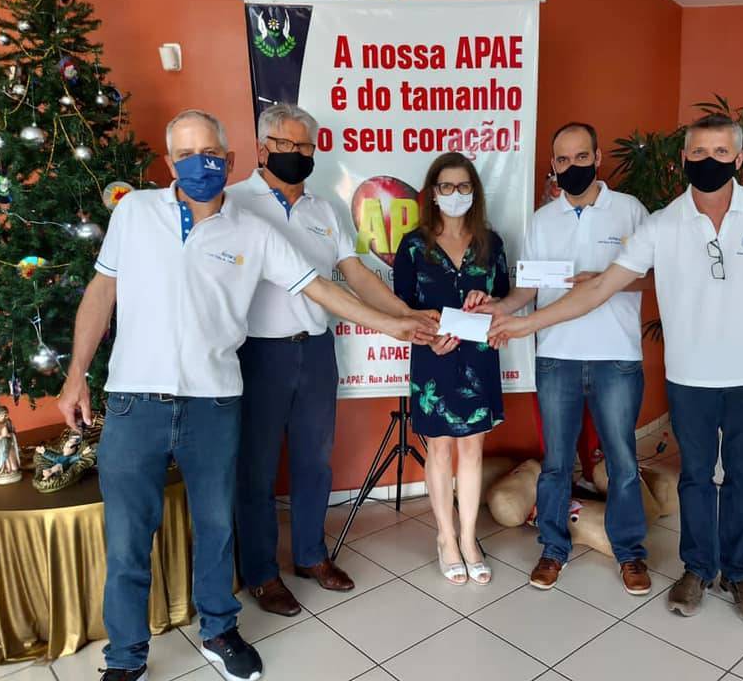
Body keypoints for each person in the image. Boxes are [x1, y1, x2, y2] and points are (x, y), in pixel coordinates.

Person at [57, 109, 436, 681]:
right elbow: (102, 289)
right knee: (130, 536)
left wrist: (397, 324)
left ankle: (219, 629)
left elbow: (322, 287)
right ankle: (126, 656)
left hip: (213, 402)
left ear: (229, 158)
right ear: (170, 163)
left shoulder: (253, 232)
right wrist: (76, 371)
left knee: (216, 527)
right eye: (185, 154)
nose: (198, 164)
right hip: (136, 402)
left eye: (209, 153)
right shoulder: (134, 212)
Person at [489, 113, 743, 628]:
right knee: (696, 480)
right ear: (684, 158)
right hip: (691, 378)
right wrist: (522, 324)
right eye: (699, 153)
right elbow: (596, 289)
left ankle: (739, 573)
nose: (709, 162)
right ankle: (698, 569)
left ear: (739, 159)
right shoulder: (662, 223)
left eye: (720, 153)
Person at [224, 103, 438, 615]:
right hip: (258, 352)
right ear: (261, 149)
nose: (299, 155)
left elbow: (357, 274)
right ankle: (260, 572)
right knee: (255, 469)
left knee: (314, 460)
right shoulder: (234, 204)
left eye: (306, 148)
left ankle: (310, 555)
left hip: (317, 350)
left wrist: (407, 313)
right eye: (288, 145)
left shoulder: (323, 211)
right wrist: (392, 322)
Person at [469, 122, 652, 594]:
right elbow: (527, 289)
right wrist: (497, 308)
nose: (573, 167)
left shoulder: (630, 211)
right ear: (553, 165)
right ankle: (553, 548)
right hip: (556, 356)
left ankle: (630, 553)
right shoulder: (542, 219)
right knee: (555, 462)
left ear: (598, 158)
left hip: (616, 357)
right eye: (563, 160)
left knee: (623, 461)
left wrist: (608, 279)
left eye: (581, 157)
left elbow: (651, 278)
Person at [393, 152, 509, 585]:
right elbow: (402, 308)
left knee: (473, 451)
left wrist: (489, 302)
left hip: (478, 358)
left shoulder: (490, 243)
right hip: (433, 356)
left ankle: (469, 538)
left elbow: (504, 300)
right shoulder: (412, 244)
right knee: (439, 450)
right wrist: (426, 332)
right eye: (446, 187)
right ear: (433, 193)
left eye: (463, 187)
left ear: (474, 192)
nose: (455, 194)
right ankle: (445, 538)